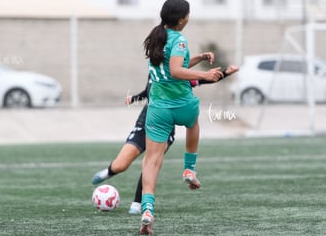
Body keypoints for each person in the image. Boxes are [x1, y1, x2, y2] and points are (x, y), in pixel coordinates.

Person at [91, 64, 238, 215]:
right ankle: (109, 172)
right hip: (145, 123)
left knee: (150, 162)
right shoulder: (155, 70)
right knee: (121, 165)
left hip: (164, 127)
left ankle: (137, 203)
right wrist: (134, 98)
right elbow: (148, 92)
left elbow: (204, 78)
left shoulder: (179, 72)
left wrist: (226, 72)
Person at [139, 0, 225, 235]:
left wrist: (198, 57)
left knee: (151, 161)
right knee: (193, 124)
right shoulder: (180, 40)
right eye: (188, 14)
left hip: (158, 109)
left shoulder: (157, 36)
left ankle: (147, 209)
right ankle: (189, 169)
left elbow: (169, 65)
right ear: (181, 19)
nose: (189, 17)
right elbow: (176, 70)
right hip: (183, 104)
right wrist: (206, 76)